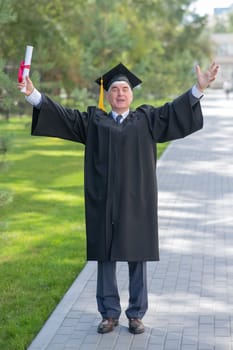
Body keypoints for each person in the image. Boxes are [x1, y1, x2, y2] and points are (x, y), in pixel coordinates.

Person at [18, 61, 219, 335]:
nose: (120, 93)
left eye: (125, 88)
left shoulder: (147, 120)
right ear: (108, 95)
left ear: (132, 94)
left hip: (138, 202)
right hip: (105, 203)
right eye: (115, 89)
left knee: (138, 258)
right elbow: (63, 116)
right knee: (106, 257)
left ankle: (136, 315)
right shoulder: (93, 122)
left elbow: (174, 111)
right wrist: (32, 93)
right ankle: (109, 314)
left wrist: (199, 88)